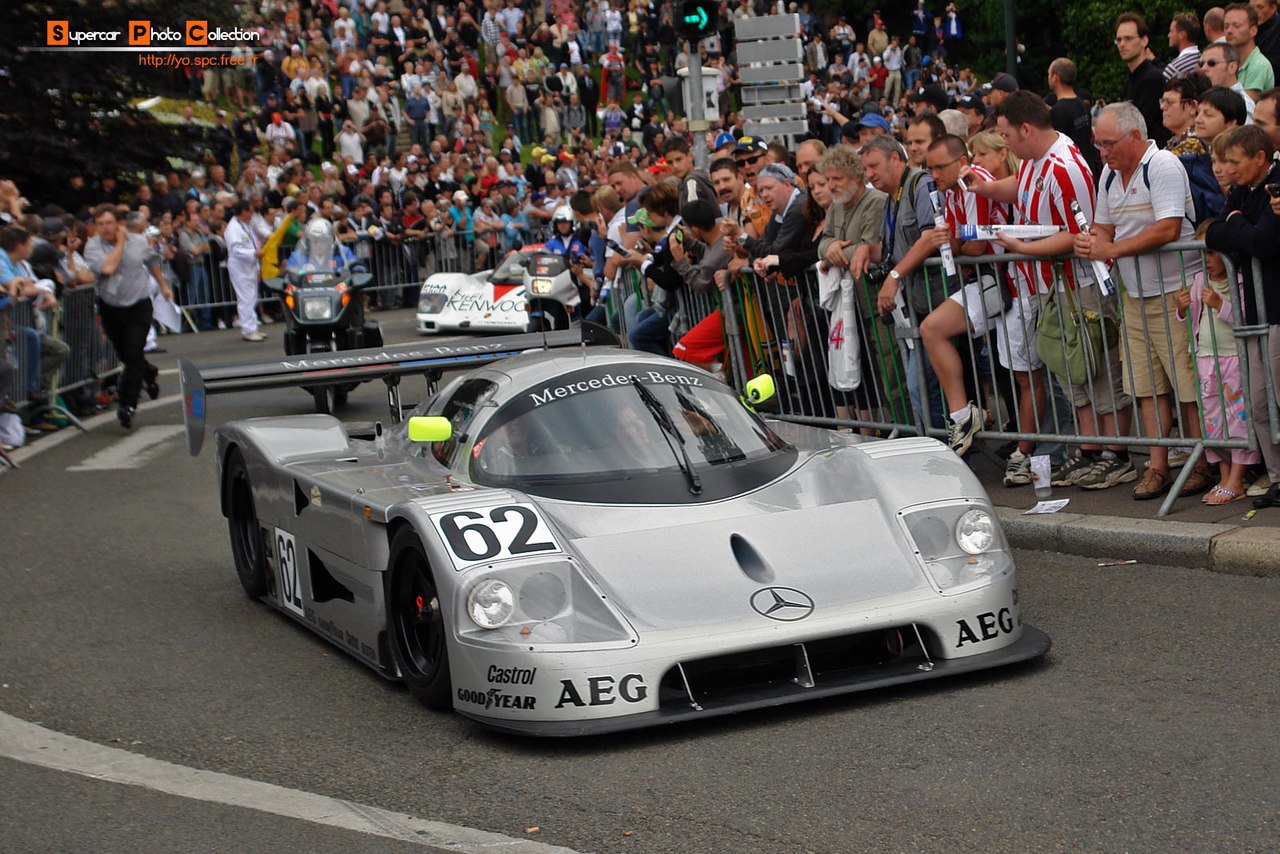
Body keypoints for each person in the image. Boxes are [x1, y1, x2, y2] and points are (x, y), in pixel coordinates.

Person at [965, 90, 1136, 490]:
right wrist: (986, 188)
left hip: (1082, 285)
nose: (1005, 144)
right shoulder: (1031, 161)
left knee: (1098, 369)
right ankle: (1092, 450)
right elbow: (1021, 191)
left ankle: (1118, 454)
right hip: (1050, 287)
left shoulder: (1065, 166)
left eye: (1006, 136)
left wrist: (1024, 248)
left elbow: (1081, 233)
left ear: (1026, 129)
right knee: (1070, 370)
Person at [1074, 103, 1215, 500]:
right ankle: (1157, 466)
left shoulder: (1164, 165)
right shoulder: (1108, 175)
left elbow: (1167, 228)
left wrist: (1112, 249)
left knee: (1186, 384)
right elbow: (1102, 228)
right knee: (1147, 387)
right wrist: (1092, 242)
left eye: (1108, 143)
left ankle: (1199, 462)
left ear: (1135, 136)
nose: (1102, 152)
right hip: (1134, 294)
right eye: (1098, 144)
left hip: (1175, 291)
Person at [1206, 124, 1280, 509]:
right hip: (1253, 313)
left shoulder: (1274, 185)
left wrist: (1235, 223)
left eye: (1236, 162)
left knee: (1276, 398)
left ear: (1260, 159)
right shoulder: (1241, 192)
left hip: (1274, 310)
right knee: (1259, 402)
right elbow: (1211, 234)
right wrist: (1236, 224)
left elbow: (1262, 242)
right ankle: (1278, 478)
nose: (1229, 170)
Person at [861, 134, 950, 431]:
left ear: (895, 159)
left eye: (874, 166)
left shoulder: (919, 184)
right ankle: (941, 444)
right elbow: (893, 250)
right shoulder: (891, 199)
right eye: (866, 169)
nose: (869, 175)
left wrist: (894, 277)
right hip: (914, 308)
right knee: (921, 388)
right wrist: (865, 248)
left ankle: (944, 448)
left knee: (920, 386)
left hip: (934, 301)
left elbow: (930, 238)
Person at [1174, 222, 1262, 504]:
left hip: (1234, 358)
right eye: (1203, 253)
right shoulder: (1200, 280)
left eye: (1212, 252)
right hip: (1205, 358)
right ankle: (1224, 474)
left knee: (1238, 417)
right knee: (1213, 420)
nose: (1207, 259)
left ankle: (1236, 479)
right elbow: (1191, 319)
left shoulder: (1240, 280)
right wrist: (1181, 307)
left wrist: (1220, 304)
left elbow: (1246, 318)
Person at [83, 205, 170, 428]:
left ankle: (127, 404)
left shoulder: (139, 241)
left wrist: (163, 284)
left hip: (138, 305)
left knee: (132, 354)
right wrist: (121, 243)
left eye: (109, 223)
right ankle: (148, 373)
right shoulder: (93, 247)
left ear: (119, 224)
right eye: (100, 224)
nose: (104, 228)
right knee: (127, 356)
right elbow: (108, 268)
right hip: (111, 307)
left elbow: (152, 260)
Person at [1117, 12, 1173, 149]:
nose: (1122, 44)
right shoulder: (1131, 79)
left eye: (1128, 38)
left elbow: (1138, 127)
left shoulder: (1152, 79)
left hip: (1152, 156)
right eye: (1119, 40)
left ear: (1144, 41)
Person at [224, 200, 266, 342]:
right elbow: (235, 249)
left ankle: (253, 327)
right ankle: (248, 330)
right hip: (240, 267)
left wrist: (257, 265)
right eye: (250, 211)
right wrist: (254, 253)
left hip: (250, 265)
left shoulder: (245, 226)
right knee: (245, 298)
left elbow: (252, 243)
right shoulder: (232, 228)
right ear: (243, 212)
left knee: (252, 296)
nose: (252, 214)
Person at [1224, 2, 1275, 99]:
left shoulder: (1259, 65)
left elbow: (1244, 108)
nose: (1229, 31)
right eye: (1226, 26)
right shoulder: (1229, 62)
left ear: (1253, 31)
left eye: (1236, 25)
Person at [1165, 12, 1204, 80]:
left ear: (1182, 35)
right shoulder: (1203, 60)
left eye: (1171, 31)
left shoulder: (1174, 68)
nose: (1168, 35)